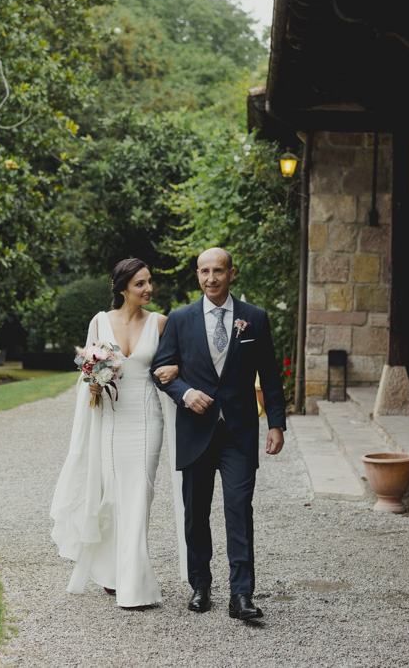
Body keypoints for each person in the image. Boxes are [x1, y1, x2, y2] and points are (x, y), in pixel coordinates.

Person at [152, 247, 286, 621]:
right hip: (195, 431)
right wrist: (184, 393)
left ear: (231, 274)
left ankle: (241, 594)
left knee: (239, 509)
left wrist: (275, 423)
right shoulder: (180, 319)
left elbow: (271, 376)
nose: (211, 278)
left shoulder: (254, 319)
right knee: (196, 512)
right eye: (204, 271)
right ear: (197, 275)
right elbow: (161, 369)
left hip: (239, 432)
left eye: (218, 271)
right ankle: (200, 585)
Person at [50, 258, 184, 608]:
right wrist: (92, 384)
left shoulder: (160, 322)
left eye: (149, 282)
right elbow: (87, 371)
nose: (148, 289)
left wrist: (175, 367)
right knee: (111, 498)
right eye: (141, 283)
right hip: (110, 418)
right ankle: (111, 571)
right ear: (123, 288)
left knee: (139, 496)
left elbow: (173, 363)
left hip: (145, 418)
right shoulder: (100, 322)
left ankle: (135, 583)